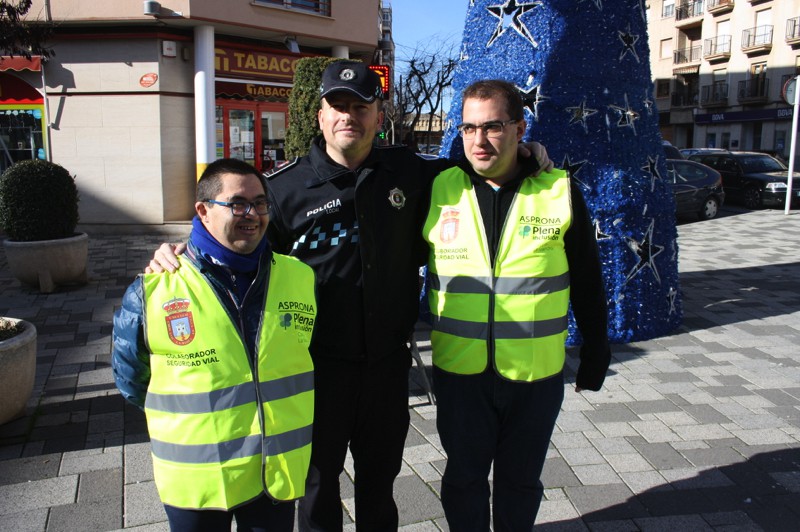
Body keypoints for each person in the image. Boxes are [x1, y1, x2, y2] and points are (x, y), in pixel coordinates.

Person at [146, 61, 553, 531]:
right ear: (319, 116)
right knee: (316, 491)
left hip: (386, 368)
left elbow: (481, 160)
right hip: (314, 373)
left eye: (360, 107)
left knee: (381, 486)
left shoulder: (411, 171)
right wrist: (184, 250)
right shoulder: (284, 190)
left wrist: (526, 153)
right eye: (337, 106)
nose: (348, 116)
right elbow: (235, 243)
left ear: (379, 116)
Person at [422, 79, 611, 531]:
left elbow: (587, 277)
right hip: (460, 373)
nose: (479, 140)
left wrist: (596, 351)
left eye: (492, 126)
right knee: (464, 479)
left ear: (519, 128)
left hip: (535, 376)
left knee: (521, 482)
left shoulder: (558, 190)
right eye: (468, 128)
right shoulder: (437, 188)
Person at [112, 159, 317, 532]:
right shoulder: (155, 289)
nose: (252, 214)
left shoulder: (299, 277)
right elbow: (131, 379)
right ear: (203, 211)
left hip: (274, 474)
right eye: (237, 204)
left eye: (260, 203)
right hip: (197, 483)